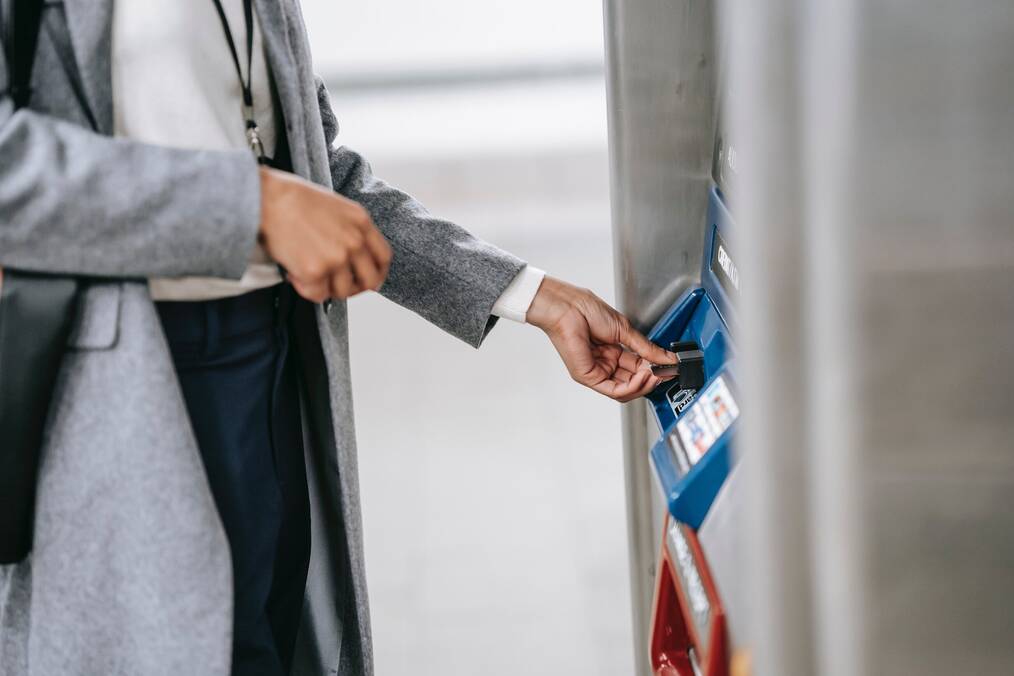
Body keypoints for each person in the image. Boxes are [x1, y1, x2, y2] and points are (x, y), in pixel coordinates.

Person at [0, 1, 676, 674]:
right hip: (124, 385)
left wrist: (530, 293)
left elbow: (322, 181)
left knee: (268, 640)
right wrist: (254, 204)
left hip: (272, 360)